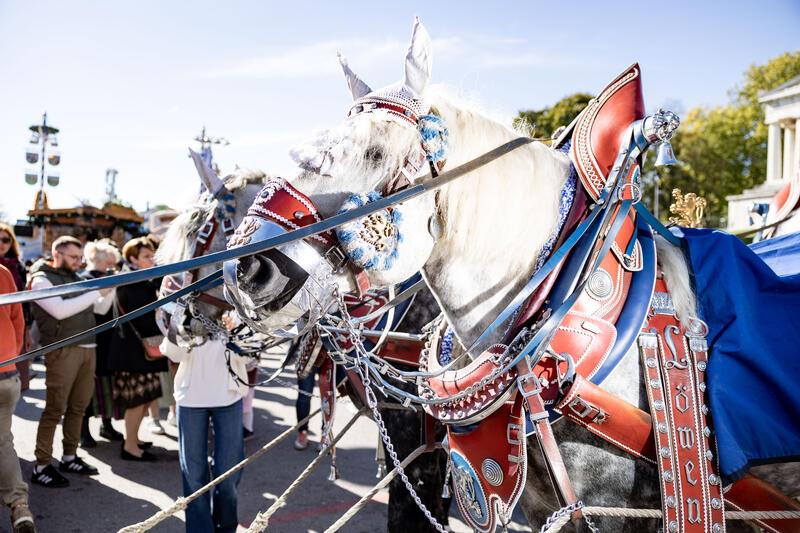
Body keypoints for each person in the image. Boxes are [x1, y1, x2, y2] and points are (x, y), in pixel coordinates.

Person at [29, 236, 112, 488]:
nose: (79, 262)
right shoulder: (40, 279)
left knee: (78, 407)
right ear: (57, 254)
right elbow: (60, 310)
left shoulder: (77, 278)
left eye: (80, 258)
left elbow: (99, 309)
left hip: (89, 347)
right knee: (55, 409)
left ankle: (69, 456)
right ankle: (42, 464)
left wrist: (112, 288)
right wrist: (97, 291)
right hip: (62, 350)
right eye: (74, 257)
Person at [161, 337, 247, 533]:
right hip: (190, 398)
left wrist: (238, 335)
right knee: (193, 476)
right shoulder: (181, 306)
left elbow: (250, 355)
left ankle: (226, 528)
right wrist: (183, 328)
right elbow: (174, 354)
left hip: (229, 395)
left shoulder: (237, 306)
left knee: (229, 475)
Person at [108, 237, 167, 461]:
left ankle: (134, 439)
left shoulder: (143, 279)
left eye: (152, 255)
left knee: (145, 397)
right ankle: (130, 445)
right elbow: (143, 317)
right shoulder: (130, 281)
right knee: (137, 400)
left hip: (140, 350)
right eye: (146, 256)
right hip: (132, 352)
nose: (152, 259)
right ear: (132, 258)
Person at [0, 264, 35, 532]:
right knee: (3, 440)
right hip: (6, 369)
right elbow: (17, 319)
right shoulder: (3, 271)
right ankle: (19, 504)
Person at [79, 240, 125, 447]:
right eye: (109, 262)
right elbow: (100, 309)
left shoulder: (105, 277)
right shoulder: (86, 279)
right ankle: (83, 429)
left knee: (107, 383)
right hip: (92, 339)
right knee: (88, 385)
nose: (113, 266)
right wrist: (112, 285)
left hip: (109, 339)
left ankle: (106, 424)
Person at [0, 223, 32, 392]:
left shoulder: (17, 266)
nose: (2, 243)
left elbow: (24, 300)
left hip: (16, 323)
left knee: (16, 381)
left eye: (6, 239)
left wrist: (27, 330)